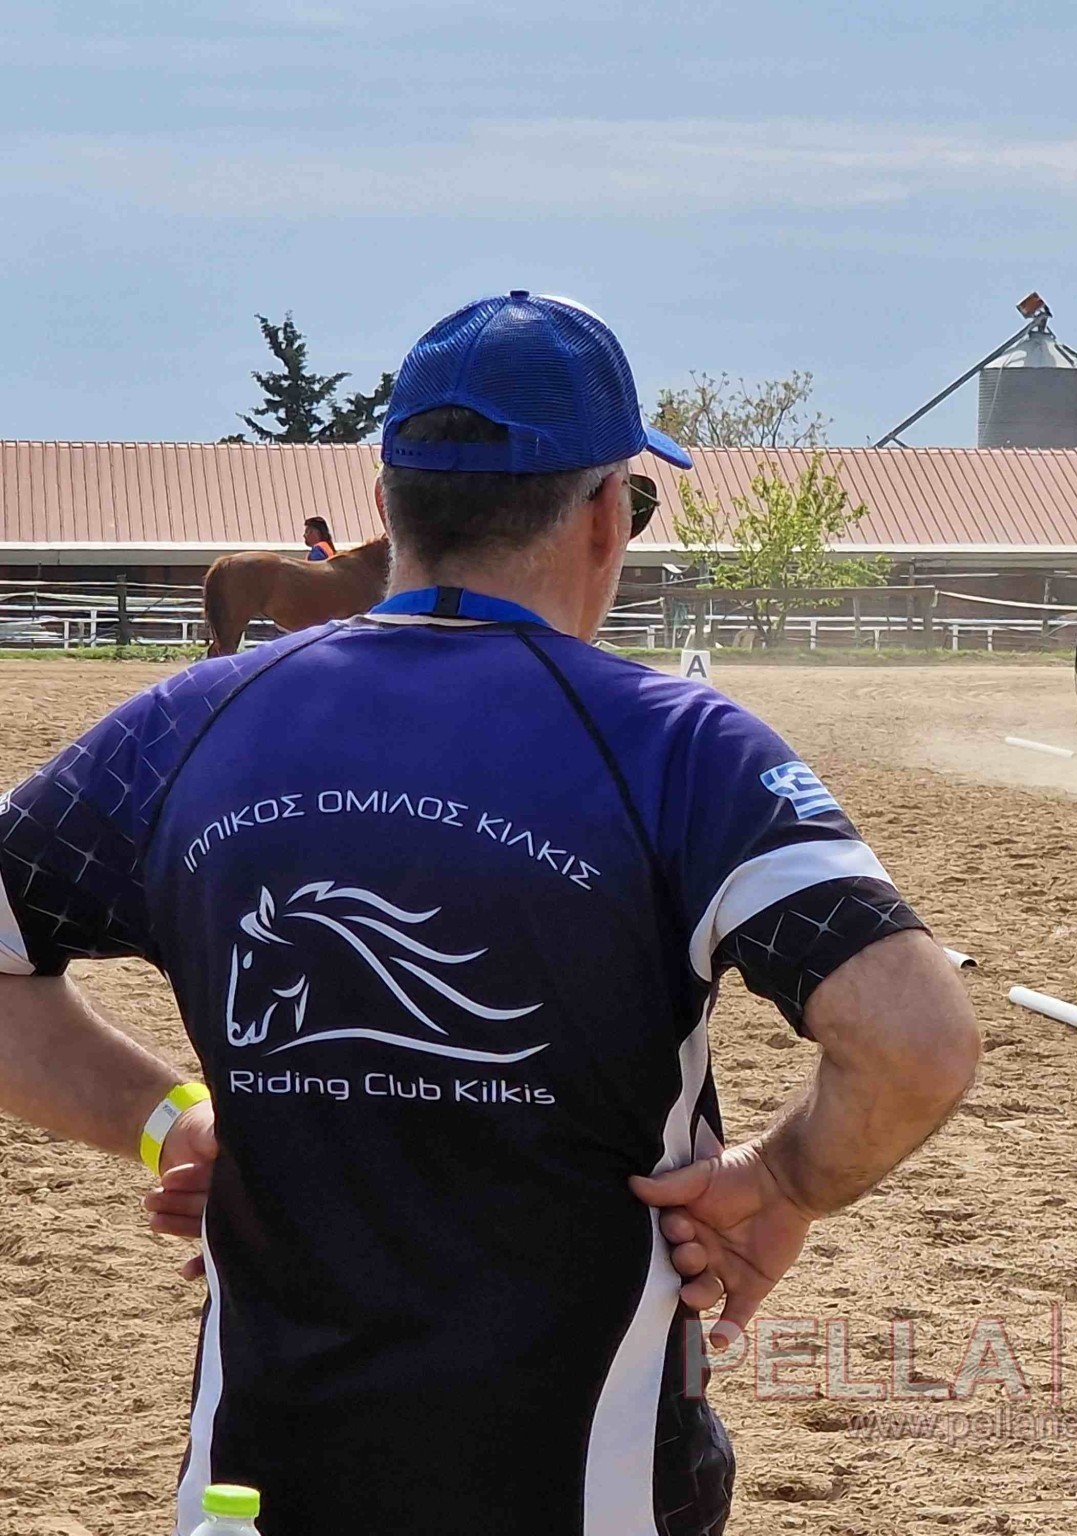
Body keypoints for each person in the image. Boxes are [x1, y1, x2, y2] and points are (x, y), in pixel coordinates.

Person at [0, 290, 981, 1536]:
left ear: (386, 506)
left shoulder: (186, 727)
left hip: (257, 1492)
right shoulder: (678, 749)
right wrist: (784, 1179)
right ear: (604, 515)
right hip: (585, 1490)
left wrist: (162, 1120)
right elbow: (916, 1040)